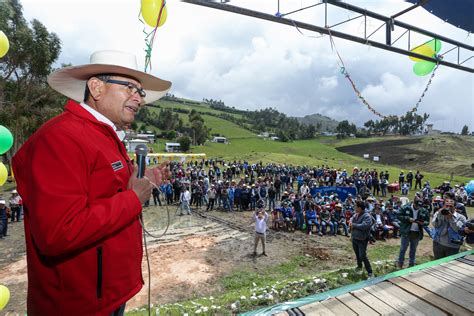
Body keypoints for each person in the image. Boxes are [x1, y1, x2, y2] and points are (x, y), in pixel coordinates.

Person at [12, 50, 172, 315]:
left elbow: (110, 189)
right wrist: (133, 199)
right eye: (130, 87)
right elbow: (58, 233)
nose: (139, 99)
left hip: (107, 294)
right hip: (77, 305)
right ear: (96, 87)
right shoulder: (61, 138)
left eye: (140, 92)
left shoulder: (104, 136)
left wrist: (147, 180)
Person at [397, 197, 429, 268]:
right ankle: (400, 264)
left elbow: (427, 221)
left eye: (420, 206)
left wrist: (422, 223)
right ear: (413, 203)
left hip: (416, 232)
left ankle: (411, 264)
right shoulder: (405, 208)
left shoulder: (424, 210)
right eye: (417, 205)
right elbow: (398, 216)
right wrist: (408, 219)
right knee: (403, 248)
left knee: (413, 249)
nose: (418, 207)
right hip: (406, 231)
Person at [350, 200, 373, 278]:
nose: (354, 208)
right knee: (357, 254)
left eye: (356, 206)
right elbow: (351, 219)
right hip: (355, 237)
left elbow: (365, 226)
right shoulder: (356, 214)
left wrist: (354, 225)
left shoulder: (367, 216)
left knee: (362, 255)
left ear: (360, 208)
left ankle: (369, 271)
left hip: (362, 239)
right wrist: (350, 222)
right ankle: (359, 266)